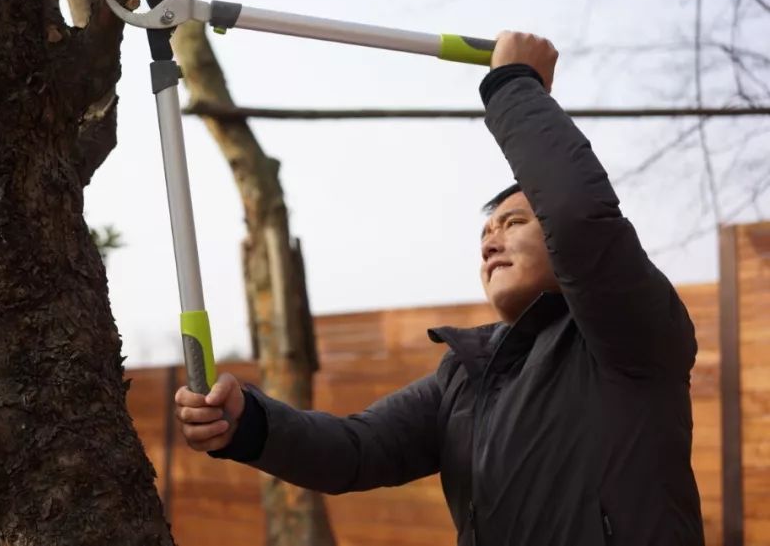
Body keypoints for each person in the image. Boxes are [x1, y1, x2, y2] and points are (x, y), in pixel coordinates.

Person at [174, 31, 704, 545]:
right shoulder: (465, 373)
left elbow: (578, 219)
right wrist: (250, 422)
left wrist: (515, 84)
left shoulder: (629, 332)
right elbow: (353, 450)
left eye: (515, 222)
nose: (491, 240)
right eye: (485, 231)